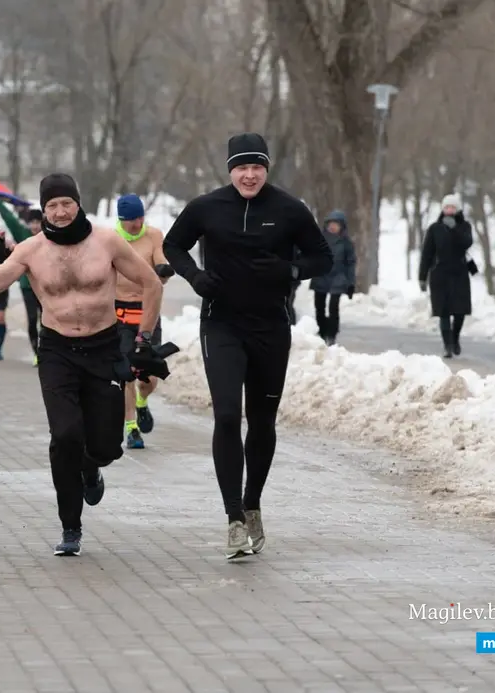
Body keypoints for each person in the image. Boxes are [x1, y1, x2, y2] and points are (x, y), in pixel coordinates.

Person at [0, 173, 173, 557]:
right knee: (64, 435)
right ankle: (70, 526)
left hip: (104, 348)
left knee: (107, 447)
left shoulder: (106, 241)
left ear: (78, 203)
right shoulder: (30, 250)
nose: (60, 212)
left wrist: (143, 340)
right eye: (51, 206)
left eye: (66, 203)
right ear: (43, 209)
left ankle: (90, 467)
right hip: (58, 351)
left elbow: (152, 284)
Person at [162, 132, 332, 559]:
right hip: (221, 323)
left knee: (262, 422)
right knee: (224, 415)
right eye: (242, 167)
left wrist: (289, 271)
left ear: (267, 169)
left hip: (270, 327)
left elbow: (322, 258)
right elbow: (172, 244)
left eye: (257, 167)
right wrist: (196, 278)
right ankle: (233, 518)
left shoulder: (290, 209)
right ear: (230, 170)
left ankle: (252, 502)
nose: (250, 175)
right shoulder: (206, 207)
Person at [113, 194, 174, 450]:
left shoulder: (153, 235)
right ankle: (131, 428)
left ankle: (142, 403)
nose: (137, 224)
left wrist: (163, 269)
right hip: (119, 315)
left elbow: (160, 257)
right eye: (131, 220)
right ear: (121, 220)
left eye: (140, 218)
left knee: (147, 378)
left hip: (148, 313)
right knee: (125, 374)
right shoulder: (111, 240)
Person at [418, 194, 474, 358]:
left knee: (459, 312)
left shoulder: (464, 227)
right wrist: (422, 276)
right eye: (447, 207)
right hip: (439, 275)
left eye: (452, 208)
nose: (449, 210)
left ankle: (455, 338)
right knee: (443, 312)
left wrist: (454, 229)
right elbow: (427, 254)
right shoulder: (434, 229)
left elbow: (467, 243)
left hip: (459, 274)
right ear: (443, 209)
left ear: (458, 210)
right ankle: (447, 345)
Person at [0, 194, 44, 366]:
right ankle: (37, 352)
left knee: (47, 320)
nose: (35, 226)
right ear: (29, 223)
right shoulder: (23, 234)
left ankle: (47, 352)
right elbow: (10, 219)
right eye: (32, 222)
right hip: (27, 286)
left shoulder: (48, 237)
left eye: (38, 222)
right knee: (31, 320)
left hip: (45, 285)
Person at [309, 210, 357, 346]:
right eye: (331, 224)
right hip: (321, 275)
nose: (333, 227)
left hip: (338, 277)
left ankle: (332, 333)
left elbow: (350, 263)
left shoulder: (346, 243)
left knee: (333, 306)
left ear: (342, 226)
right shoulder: (319, 239)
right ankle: (322, 331)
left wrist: (351, 283)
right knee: (319, 306)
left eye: (336, 224)